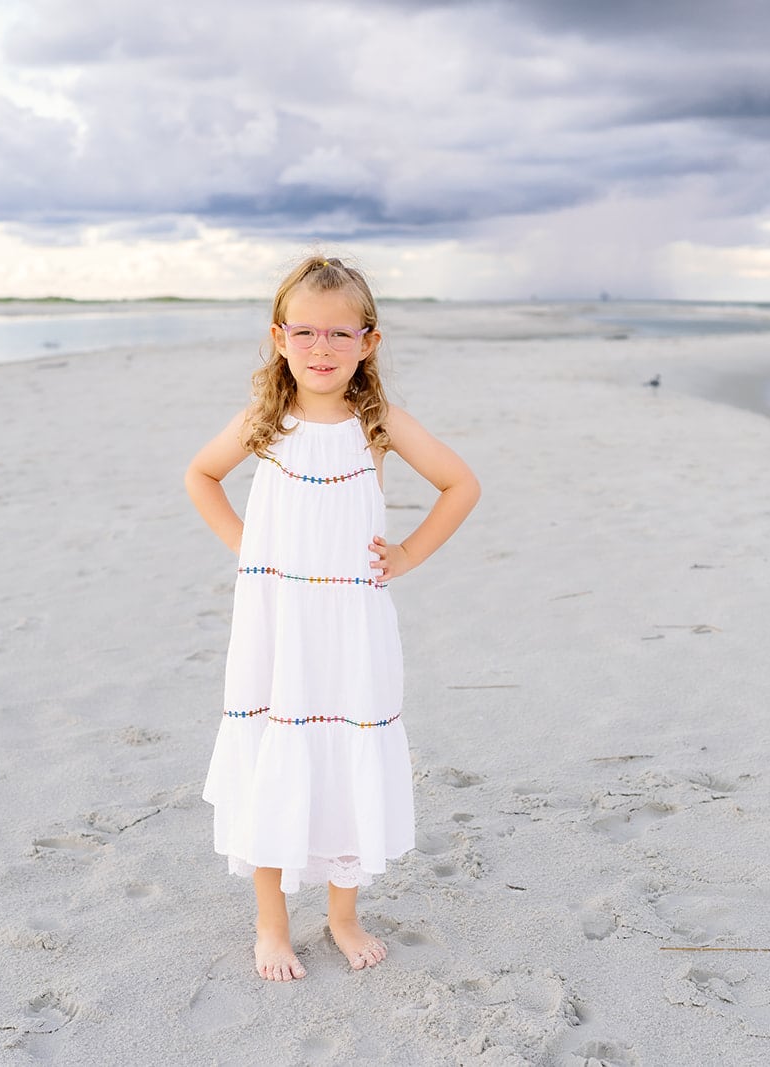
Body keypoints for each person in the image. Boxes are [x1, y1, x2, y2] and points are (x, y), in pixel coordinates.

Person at [185, 255, 480, 982]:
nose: (322, 348)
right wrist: (250, 550)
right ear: (279, 337)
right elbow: (201, 474)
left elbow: (461, 483)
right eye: (306, 331)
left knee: (345, 752)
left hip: (351, 623)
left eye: (340, 334)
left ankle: (343, 915)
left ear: (368, 341)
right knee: (273, 751)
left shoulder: (377, 424)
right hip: (276, 624)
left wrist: (407, 552)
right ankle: (271, 922)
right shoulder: (265, 420)